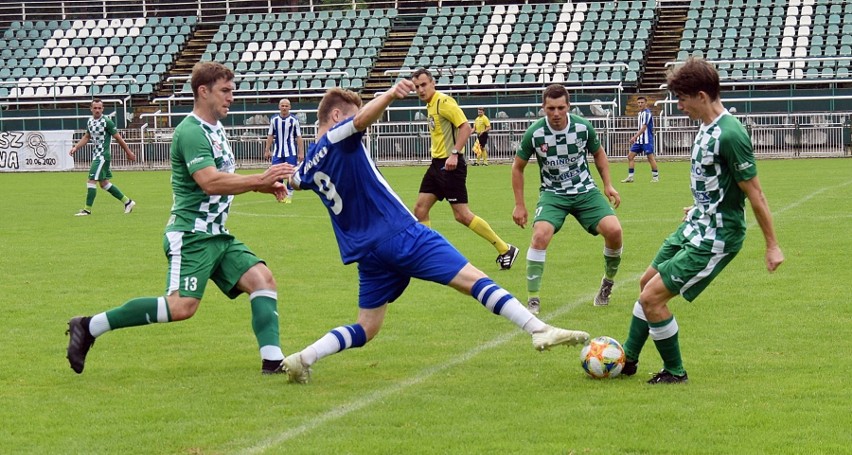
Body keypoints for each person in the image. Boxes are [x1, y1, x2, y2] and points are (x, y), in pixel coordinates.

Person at [278, 81, 589, 384]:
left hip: (367, 252)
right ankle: (538, 329)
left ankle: (303, 358)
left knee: (367, 326)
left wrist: (271, 183)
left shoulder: (306, 168)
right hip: (399, 233)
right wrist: (388, 95)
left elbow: (292, 181)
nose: (360, 130)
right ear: (335, 116)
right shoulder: (336, 136)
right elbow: (359, 120)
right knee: (472, 278)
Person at [66, 61, 291, 375]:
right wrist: (259, 179)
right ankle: (89, 326)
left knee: (263, 280)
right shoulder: (190, 131)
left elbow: (223, 179)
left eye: (232, 91)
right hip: (192, 235)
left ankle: (273, 362)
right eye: (225, 91)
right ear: (203, 91)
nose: (231, 97)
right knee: (181, 307)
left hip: (217, 234)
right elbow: (209, 181)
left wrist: (262, 188)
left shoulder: (216, 129)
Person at [620, 58, 784, 384]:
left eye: (682, 99)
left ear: (702, 96)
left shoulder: (731, 135)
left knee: (652, 298)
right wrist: (699, 206)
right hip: (697, 222)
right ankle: (628, 360)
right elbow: (716, 181)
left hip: (718, 235)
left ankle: (674, 372)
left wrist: (772, 245)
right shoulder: (706, 126)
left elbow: (755, 194)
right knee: (645, 283)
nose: (679, 106)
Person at [511, 84, 624, 314]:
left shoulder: (583, 127)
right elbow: (517, 167)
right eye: (550, 108)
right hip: (553, 194)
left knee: (614, 231)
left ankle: (607, 284)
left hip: (585, 191)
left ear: (568, 107)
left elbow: (598, 153)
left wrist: (608, 184)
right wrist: (520, 204)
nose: (555, 113)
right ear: (543, 107)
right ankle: (533, 299)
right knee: (540, 235)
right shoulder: (535, 133)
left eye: (560, 108)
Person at [410, 68, 519, 270]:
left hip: (451, 166)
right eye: (417, 87)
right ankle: (428, 254)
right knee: (420, 209)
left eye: (424, 85)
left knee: (462, 215)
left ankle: (505, 249)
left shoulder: (444, 102)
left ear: (433, 83)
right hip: (437, 165)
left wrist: (454, 153)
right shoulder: (430, 105)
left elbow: (465, 127)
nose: (420, 90)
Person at [69, 98, 137, 216]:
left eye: (99, 108)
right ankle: (128, 202)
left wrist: (128, 152)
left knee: (91, 180)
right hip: (96, 154)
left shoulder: (107, 122)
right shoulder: (90, 121)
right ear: (91, 109)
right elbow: (87, 136)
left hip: (102, 156)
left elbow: (118, 138)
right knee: (104, 183)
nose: (97, 110)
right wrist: (76, 147)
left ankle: (87, 209)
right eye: (95, 108)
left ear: (103, 109)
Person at [264, 97, 304, 203]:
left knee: (290, 174)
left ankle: (289, 196)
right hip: (277, 152)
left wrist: (301, 152)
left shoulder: (294, 120)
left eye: (286, 106)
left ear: (290, 107)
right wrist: (267, 150)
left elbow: (299, 137)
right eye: (282, 105)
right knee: (276, 174)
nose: (284, 108)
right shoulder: (274, 119)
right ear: (279, 107)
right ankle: (281, 195)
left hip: (290, 152)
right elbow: (270, 135)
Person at [622, 96, 659, 183]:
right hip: (639, 140)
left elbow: (644, 127)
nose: (640, 104)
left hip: (647, 140)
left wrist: (634, 137)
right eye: (639, 103)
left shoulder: (647, 113)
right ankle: (630, 177)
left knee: (650, 157)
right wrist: (637, 138)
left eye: (642, 102)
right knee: (630, 156)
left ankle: (655, 177)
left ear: (646, 103)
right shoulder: (640, 114)